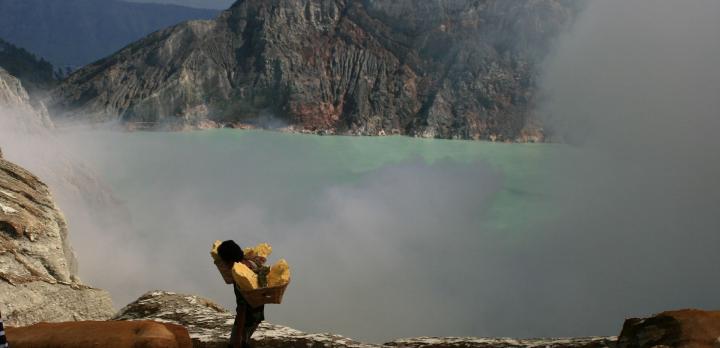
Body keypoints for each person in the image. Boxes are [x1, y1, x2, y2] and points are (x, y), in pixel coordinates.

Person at [217, 240, 265, 348]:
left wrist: (237, 338)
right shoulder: (252, 263)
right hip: (257, 315)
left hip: (247, 319)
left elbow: (242, 308)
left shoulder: (240, 275)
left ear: (229, 260)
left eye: (224, 261)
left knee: (238, 344)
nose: (224, 264)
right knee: (245, 342)